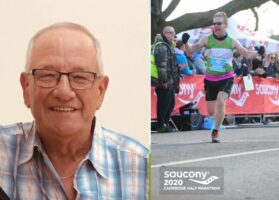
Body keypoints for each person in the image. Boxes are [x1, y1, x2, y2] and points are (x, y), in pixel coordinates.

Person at [0, 22, 148, 200]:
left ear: (100, 91)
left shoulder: (141, 168)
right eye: (47, 75)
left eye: (80, 77)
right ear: (26, 88)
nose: (64, 92)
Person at [183, 11, 257, 143]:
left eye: (219, 23)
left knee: (221, 100)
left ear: (226, 25)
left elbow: (245, 53)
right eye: (214, 23)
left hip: (226, 77)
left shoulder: (231, 42)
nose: (216, 26)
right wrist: (186, 43)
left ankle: (215, 132)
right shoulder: (207, 39)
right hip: (210, 79)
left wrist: (253, 53)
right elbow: (190, 51)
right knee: (211, 112)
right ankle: (215, 122)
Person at [153, 26, 180, 133]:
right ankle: (161, 125)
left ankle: (165, 123)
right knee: (163, 104)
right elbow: (161, 66)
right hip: (164, 81)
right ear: (164, 33)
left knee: (170, 104)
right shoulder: (161, 46)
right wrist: (163, 81)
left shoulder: (169, 45)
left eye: (173, 33)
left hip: (171, 81)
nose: (171, 35)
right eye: (169, 33)